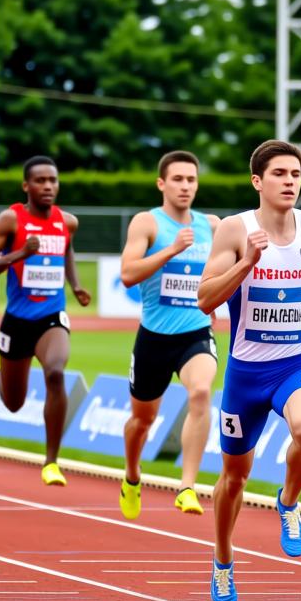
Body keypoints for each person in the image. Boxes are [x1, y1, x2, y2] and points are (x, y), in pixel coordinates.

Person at [197, 139, 301, 601]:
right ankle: (223, 560)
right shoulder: (235, 231)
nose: (290, 182)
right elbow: (205, 298)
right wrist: (246, 263)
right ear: (258, 182)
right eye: (280, 174)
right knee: (234, 477)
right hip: (245, 373)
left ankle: (288, 500)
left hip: (295, 364)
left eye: (296, 174)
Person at [0, 156, 91, 486]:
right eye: (40, 181)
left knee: (55, 373)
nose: (48, 186)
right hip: (16, 321)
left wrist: (76, 284)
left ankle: (52, 462)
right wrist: (18, 255)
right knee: (13, 404)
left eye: (53, 181)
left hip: (51, 317)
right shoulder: (10, 221)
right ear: (26, 186)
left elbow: (66, 250)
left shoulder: (67, 222)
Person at [117, 150, 221, 520]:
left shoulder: (211, 225)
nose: (185, 186)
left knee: (201, 392)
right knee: (142, 421)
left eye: (191, 180)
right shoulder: (148, 223)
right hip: (154, 337)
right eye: (177, 179)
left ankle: (187, 486)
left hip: (195, 333)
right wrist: (172, 250)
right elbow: (128, 273)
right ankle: (132, 474)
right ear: (162, 183)